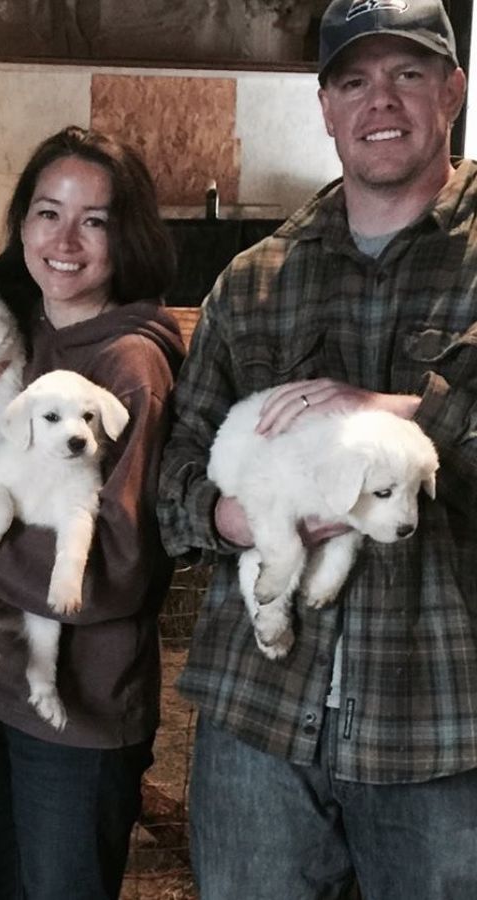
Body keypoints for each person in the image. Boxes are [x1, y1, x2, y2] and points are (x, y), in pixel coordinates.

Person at [156, 1, 477, 897]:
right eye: (354, 80)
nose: (382, 101)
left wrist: (384, 406)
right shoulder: (256, 279)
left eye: (408, 74)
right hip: (260, 720)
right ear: (327, 107)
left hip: (440, 723)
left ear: (452, 91)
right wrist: (237, 518)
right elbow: (177, 471)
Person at [0, 126, 184, 899]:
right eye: (48, 213)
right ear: (22, 223)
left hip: (77, 710)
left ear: (127, 236)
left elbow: (117, 564)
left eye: (93, 220)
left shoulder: (130, 367)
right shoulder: (22, 336)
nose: (64, 241)